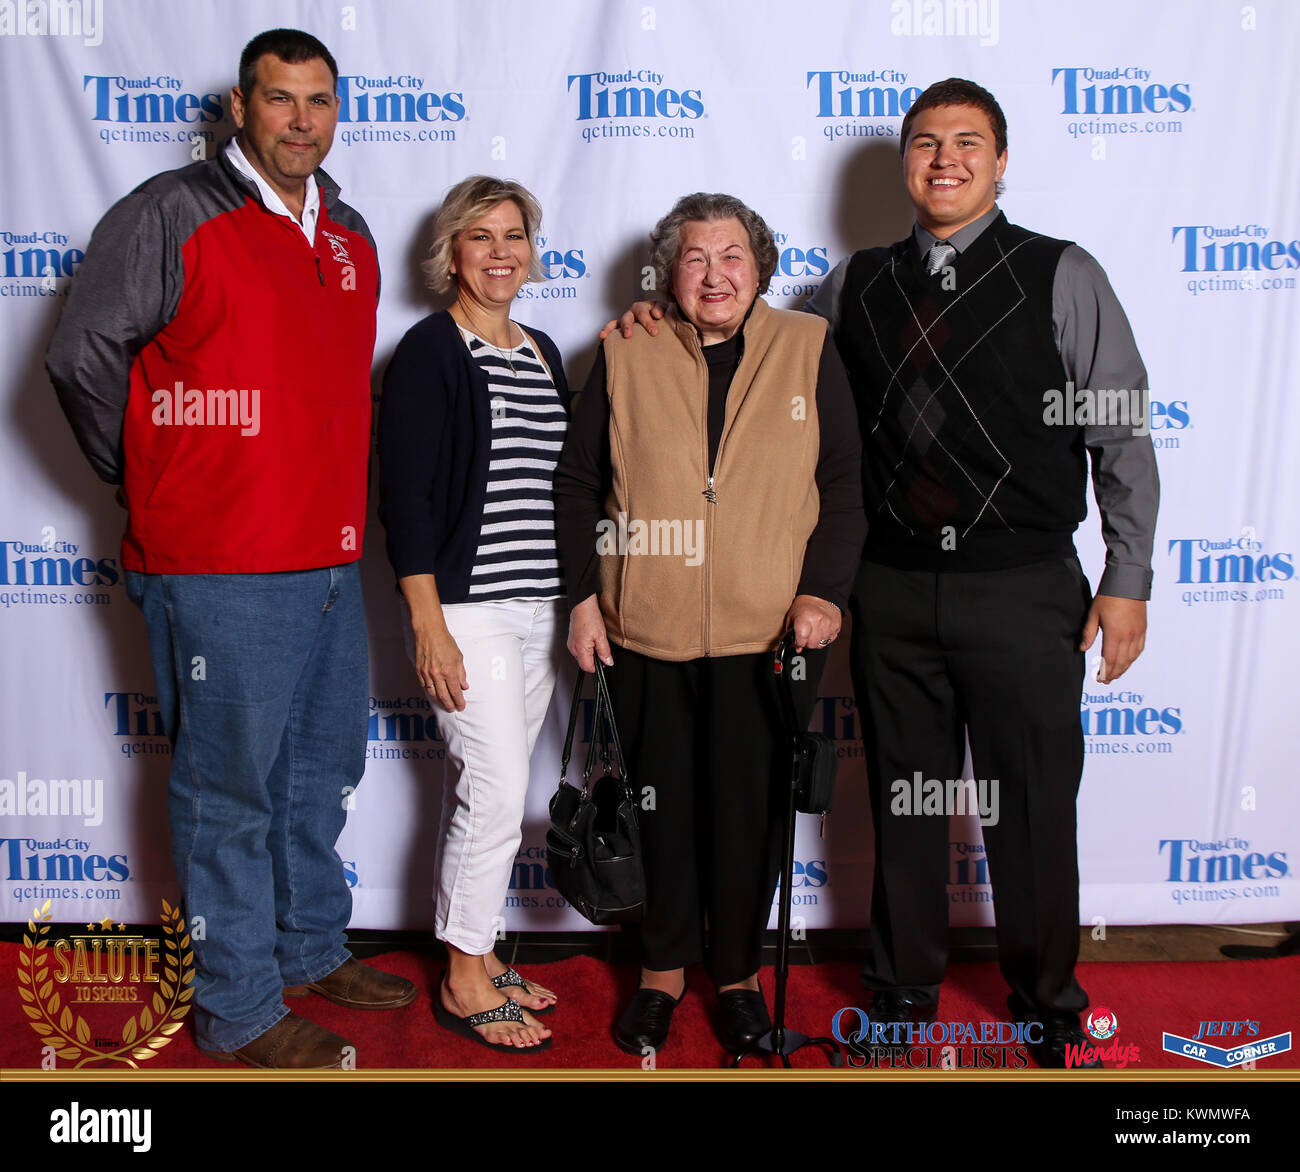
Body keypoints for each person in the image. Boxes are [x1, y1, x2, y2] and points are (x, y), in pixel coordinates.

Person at [610, 79, 1158, 1069]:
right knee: (905, 800)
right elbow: (761, 353)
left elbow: (1119, 427)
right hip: (894, 589)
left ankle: (1047, 1004)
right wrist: (662, 320)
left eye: (965, 143)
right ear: (903, 162)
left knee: (1028, 802)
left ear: (999, 160)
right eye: (923, 144)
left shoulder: (1061, 272)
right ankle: (899, 1001)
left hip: (1024, 586)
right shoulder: (854, 285)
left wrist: (1128, 574)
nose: (942, 160)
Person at [45, 28, 414, 1070]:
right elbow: (80, 354)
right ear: (241, 107)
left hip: (331, 555)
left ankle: (305, 945)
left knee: (318, 772)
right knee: (229, 792)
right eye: (280, 99)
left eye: (319, 101)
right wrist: (155, 472)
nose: (301, 119)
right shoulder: (171, 214)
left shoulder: (348, 232)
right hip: (216, 563)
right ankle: (241, 1003)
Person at [556, 192, 864, 1056]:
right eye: (695, 258)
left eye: (732, 256)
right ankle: (659, 972)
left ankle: (734, 974)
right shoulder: (625, 350)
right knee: (660, 811)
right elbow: (578, 485)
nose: (715, 274)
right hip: (643, 631)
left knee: (748, 816)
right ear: (668, 273)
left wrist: (823, 592)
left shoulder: (809, 348)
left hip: (769, 638)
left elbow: (843, 488)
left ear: (760, 268)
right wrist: (582, 597)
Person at [378, 176, 569, 1053]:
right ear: (451, 251)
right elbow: (406, 499)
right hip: (469, 611)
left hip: (538, 610)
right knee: (492, 796)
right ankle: (460, 979)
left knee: (495, 792)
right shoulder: (429, 349)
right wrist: (428, 622)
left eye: (515, 235)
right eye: (481, 236)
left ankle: (483, 956)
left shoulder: (543, 352)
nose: (501, 252)